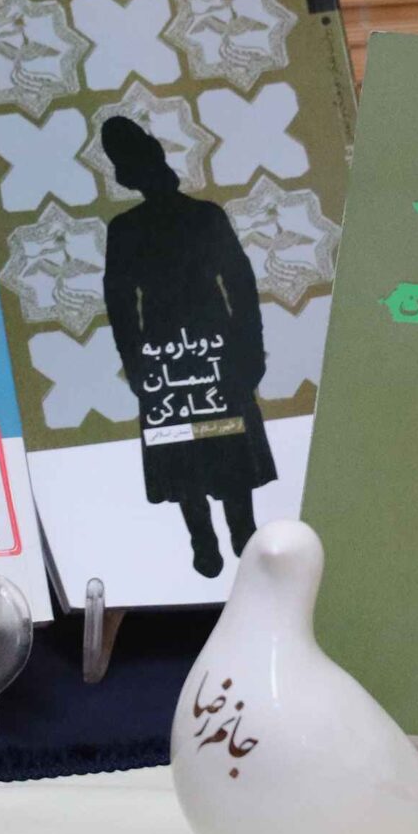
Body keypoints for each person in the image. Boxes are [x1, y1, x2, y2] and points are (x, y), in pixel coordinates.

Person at [98, 114, 275, 577]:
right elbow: (120, 305)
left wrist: (249, 350)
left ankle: (233, 534)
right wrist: (137, 364)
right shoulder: (163, 222)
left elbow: (240, 285)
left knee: (215, 439)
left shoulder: (192, 218)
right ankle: (211, 539)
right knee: (188, 444)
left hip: (198, 347)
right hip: (177, 350)